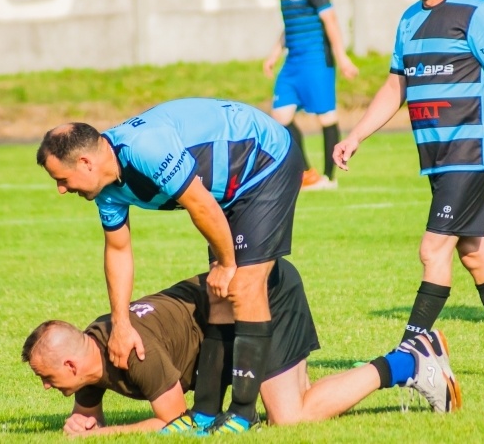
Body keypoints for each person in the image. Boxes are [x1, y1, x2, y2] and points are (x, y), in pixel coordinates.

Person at [333, 0, 484, 378]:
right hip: (437, 159)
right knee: (475, 253)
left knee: (433, 250)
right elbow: (396, 86)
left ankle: (406, 358)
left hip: (471, 151)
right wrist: (355, 135)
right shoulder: (408, 20)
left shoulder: (477, 12)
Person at [35, 98, 305, 433]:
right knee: (218, 295)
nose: (61, 189)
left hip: (264, 163)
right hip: (226, 191)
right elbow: (118, 250)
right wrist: (121, 325)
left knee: (243, 285)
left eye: (61, 179)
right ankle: (206, 410)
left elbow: (200, 204)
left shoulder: (146, 150)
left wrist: (226, 262)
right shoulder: (105, 188)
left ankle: (244, 413)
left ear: (86, 162)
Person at [22, 259, 461, 437]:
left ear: (71, 361)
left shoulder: (135, 352)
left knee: (291, 417)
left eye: (47, 377)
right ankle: (409, 362)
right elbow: (87, 414)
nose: (45, 386)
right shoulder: (93, 349)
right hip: (239, 306)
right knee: (289, 407)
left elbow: (178, 421)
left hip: (261, 295)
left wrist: (106, 435)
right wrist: (82, 423)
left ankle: (409, 361)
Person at [264, 0, 359, 191]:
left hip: (317, 61)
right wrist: (274, 54)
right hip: (292, 63)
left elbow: (331, 22)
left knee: (326, 116)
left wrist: (342, 57)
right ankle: (308, 173)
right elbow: (290, 26)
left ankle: (330, 177)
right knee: (280, 116)